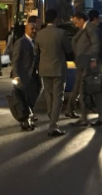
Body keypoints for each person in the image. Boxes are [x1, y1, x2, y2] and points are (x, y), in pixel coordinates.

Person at [34, 9, 72, 137]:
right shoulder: (61, 33)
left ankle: (51, 115)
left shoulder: (39, 34)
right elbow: (68, 49)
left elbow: (36, 51)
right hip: (58, 69)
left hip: (44, 69)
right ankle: (53, 124)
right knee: (58, 97)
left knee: (49, 95)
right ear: (56, 19)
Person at [69, 11, 102, 127]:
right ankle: (85, 118)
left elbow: (96, 44)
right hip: (83, 64)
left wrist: (93, 59)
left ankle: (98, 118)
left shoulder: (90, 28)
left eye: (76, 22)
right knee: (85, 91)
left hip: (89, 66)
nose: (76, 25)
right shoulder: (84, 29)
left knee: (93, 90)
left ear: (82, 20)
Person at [12, 23, 39, 131]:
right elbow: (15, 60)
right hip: (22, 76)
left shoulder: (34, 42)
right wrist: (16, 76)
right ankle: (25, 122)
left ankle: (29, 117)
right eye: (31, 29)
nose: (34, 30)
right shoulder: (21, 42)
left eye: (35, 28)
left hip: (33, 75)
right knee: (23, 100)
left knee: (31, 97)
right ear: (26, 30)